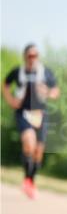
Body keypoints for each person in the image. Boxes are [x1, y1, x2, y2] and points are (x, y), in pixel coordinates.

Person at [3, 44, 60, 199]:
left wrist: (48, 92)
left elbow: (56, 91)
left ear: (38, 56)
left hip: (40, 112)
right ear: (25, 56)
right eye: (29, 55)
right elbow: (5, 84)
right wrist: (10, 100)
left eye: (35, 55)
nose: (32, 58)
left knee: (38, 151)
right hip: (23, 112)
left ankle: (30, 181)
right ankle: (27, 181)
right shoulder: (18, 72)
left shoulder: (45, 72)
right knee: (29, 141)